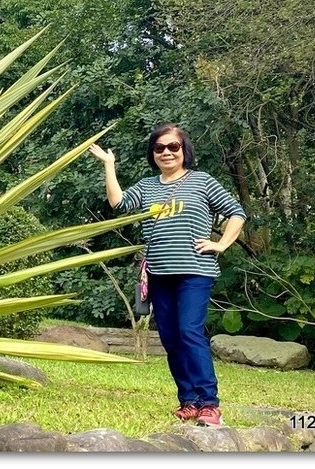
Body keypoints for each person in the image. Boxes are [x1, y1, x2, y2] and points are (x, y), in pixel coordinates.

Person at [88, 123, 246, 427]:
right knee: (171, 337)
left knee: (189, 331)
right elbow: (118, 203)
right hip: (159, 273)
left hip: (195, 271)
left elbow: (236, 212)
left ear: (183, 150)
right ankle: (188, 400)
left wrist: (221, 244)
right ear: (153, 153)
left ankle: (209, 403)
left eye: (173, 146)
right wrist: (109, 165)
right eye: (160, 148)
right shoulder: (148, 187)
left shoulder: (202, 181)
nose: (166, 152)